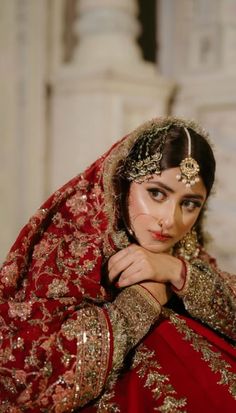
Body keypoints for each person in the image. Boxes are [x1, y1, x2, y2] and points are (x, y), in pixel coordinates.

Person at [0, 116, 235, 413]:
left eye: (189, 203)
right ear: (123, 185)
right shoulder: (73, 255)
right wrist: (144, 298)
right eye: (156, 193)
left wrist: (176, 271)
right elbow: (28, 373)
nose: (170, 220)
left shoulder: (187, 259)